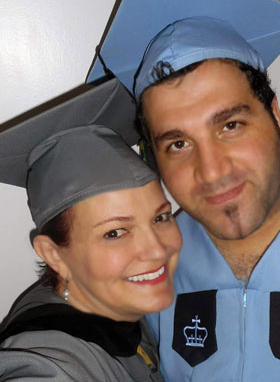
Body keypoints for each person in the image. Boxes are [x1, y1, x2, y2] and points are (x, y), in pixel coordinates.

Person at [129, 16, 280, 381]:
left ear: (276, 119)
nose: (212, 171)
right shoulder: (154, 263)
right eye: (178, 144)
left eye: (230, 125)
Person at [0, 79, 182, 381]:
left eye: (161, 218)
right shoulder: (48, 356)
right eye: (115, 232)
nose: (157, 249)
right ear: (54, 255)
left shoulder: (111, 302)